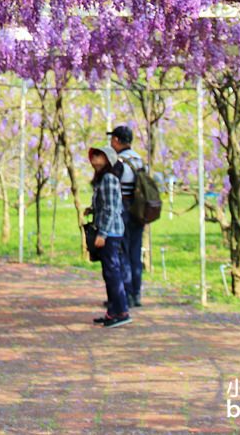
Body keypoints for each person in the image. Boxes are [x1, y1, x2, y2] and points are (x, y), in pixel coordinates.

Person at [89, 145, 131, 328]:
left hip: (111, 233)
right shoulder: (102, 179)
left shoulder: (109, 179)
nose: (94, 159)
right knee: (109, 273)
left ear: (107, 159)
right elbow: (105, 204)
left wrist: (103, 234)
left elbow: (112, 208)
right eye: (94, 155)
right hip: (107, 230)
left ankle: (122, 311)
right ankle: (112, 311)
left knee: (113, 272)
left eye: (99, 156)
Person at [109, 125, 145, 307]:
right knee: (135, 252)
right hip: (138, 210)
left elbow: (113, 187)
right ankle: (137, 293)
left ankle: (127, 294)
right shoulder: (139, 160)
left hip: (123, 210)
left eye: (112, 139)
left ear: (116, 140)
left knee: (122, 252)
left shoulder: (119, 162)